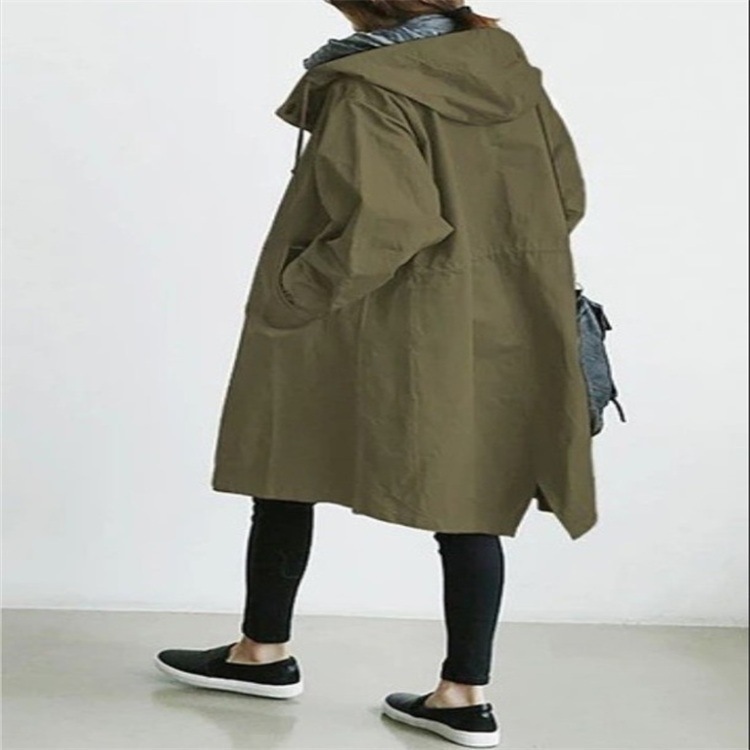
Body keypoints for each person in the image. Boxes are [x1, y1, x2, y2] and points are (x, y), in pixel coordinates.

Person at [154, 1, 596, 746]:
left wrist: (294, 291)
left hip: (368, 311)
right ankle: (463, 694)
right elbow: (567, 198)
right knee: (472, 488)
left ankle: (262, 652)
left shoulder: (370, 85)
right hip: (498, 313)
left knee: (286, 452)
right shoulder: (506, 71)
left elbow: (389, 223)